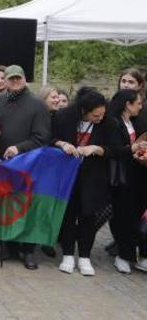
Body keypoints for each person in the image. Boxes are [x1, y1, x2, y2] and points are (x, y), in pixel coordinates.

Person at [0, 64, 51, 270]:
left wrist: (19, 148)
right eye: (12, 78)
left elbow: (42, 137)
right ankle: (7, 246)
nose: (16, 81)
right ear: (5, 81)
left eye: (19, 78)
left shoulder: (38, 105)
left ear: (25, 79)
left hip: (29, 165)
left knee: (27, 209)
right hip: (3, 165)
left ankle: (28, 251)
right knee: (6, 206)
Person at [51, 87, 107, 276]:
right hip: (67, 174)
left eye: (102, 114)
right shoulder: (63, 117)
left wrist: (96, 149)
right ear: (84, 111)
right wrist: (62, 144)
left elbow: (116, 149)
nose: (99, 118)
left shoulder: (107, 122)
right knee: (68, 214)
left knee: (88, 216)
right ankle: (67, 254)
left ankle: (84, 256)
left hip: (93, 176)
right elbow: (50, 138)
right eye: (95, 115)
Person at [103, 89, 147, 274]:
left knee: (139, 216)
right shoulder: (114, 123)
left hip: (139, 175)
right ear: (128, 104)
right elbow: (113, 150)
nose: (141, 107)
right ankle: (123, 255)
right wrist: (133, 148)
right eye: (138, 103)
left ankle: (141, 255)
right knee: (124, 217)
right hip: (122, 177)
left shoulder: (136, 122)